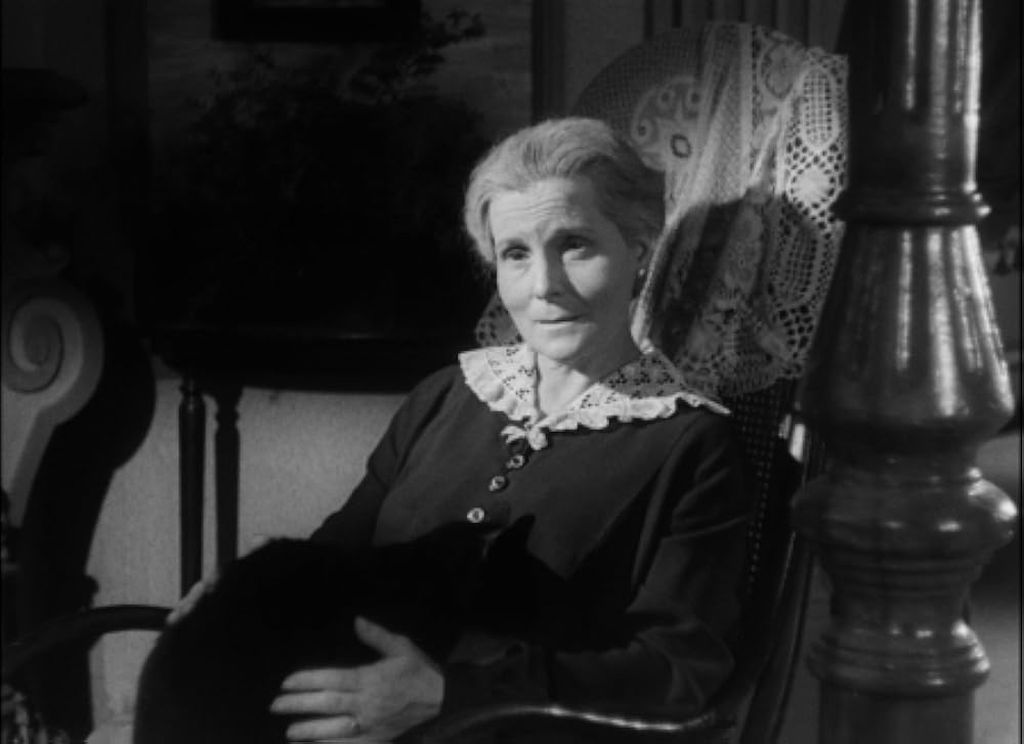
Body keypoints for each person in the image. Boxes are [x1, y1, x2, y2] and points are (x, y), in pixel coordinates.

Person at [243, 117, 752, 742]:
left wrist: (449, 696)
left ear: (640, 249)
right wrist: (246, 594)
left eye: (575, 245)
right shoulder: (446, 395)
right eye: (516, 254)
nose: (544, 287)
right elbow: (337, 557)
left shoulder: (692, 446)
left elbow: (678, 672)